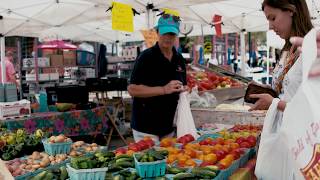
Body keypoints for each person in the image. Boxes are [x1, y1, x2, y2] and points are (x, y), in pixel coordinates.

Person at [251, 0, 313, 179]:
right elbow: (289, 90)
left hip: (302, 144)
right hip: (282, 139)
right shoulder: (288, 49)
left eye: (273, 18)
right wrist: (271, 92)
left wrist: (274, 103)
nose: (270, 26)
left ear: (291, 10)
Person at [127, 13, 187, 143]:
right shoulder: (146, 57)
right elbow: (132, 89)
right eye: (164, 33)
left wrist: (185, 89)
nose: (167, 38)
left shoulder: (179, 59)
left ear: (176, 35)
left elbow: (183, 84)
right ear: (157, 32)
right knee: (151, 162)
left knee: (169, 162)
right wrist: (164, 89)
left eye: (171, 34)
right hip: (146, 127)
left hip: (169, 126)